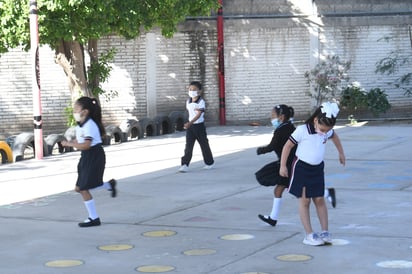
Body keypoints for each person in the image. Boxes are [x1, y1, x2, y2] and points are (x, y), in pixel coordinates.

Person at [256, 105, 337, 227]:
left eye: (273, 116)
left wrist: (261, 150)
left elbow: (274, 146)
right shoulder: (290, 127)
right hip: (290, 163)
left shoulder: (281, 130)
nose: (271, 118)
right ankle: (273, 217)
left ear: (281, 117)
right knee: (283, 189)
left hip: (291, 165)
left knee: (293, 191)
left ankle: (325, 193)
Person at [279, 102, 345, 246]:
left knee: (319, 199)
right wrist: (283, 166)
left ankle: (325, 231)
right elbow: (288, 146)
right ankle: (309, 234)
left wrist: (341, 153)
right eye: (322, 130)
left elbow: (335, 137)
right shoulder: (303, 130)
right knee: (305, 201)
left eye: (326, 131)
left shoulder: (327, 130)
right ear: (315, 120)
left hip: (317, 169)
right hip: (301, 168)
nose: (324, 133)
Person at [62, 96, 117, 227]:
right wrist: (70, 142)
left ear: (85, 111)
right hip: (86, 156)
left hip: (94, 156)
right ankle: (109, 185)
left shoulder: (90, 125)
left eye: (76, 109)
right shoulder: (80, 125)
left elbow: (87, 145)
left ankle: (94, 218)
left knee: (83, 188)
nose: (74, 111)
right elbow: (80, 142)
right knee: (79, 188)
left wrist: (70, 144)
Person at [178, 81, 214, 172]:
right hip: (191, 127)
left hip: (199, 126)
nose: (192, 91)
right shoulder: (188, 101)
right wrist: (189, 124)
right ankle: (185, 164)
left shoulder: (201, 102)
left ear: (199, 91)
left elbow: (198, 114)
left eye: (194, 89)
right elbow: (190, 113)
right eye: (190, 89)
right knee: (188, 146)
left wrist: (190, 123)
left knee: (204, 144)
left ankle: (209, 162)